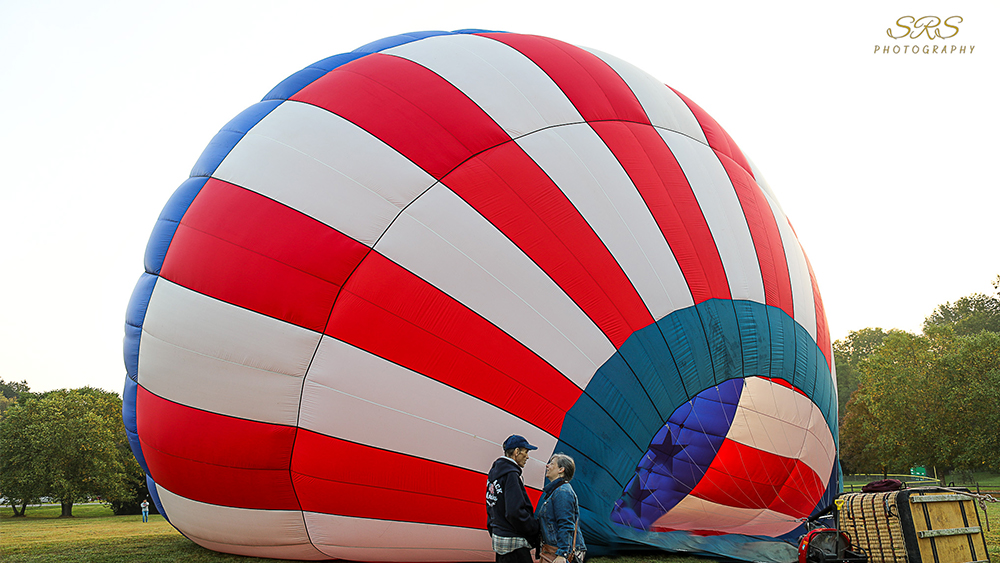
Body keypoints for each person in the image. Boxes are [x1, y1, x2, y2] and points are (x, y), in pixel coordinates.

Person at [486, 435, 541, 562]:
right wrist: (534, 528)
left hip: (500, 540)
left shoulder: (494, 474)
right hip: (514, 546)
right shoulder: (511, 475)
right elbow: (514, 512)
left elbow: (490, 504)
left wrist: (494, 529)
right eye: (526, 452)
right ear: (516, 452)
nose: (527, 457)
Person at [535, 453, 586, 563]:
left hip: (560, 552)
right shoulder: (556, 492)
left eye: (551, 464)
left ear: (561, 469)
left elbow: (566, 524)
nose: (547, 466)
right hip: (554, 549)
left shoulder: (563, 492)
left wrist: (562, 554)